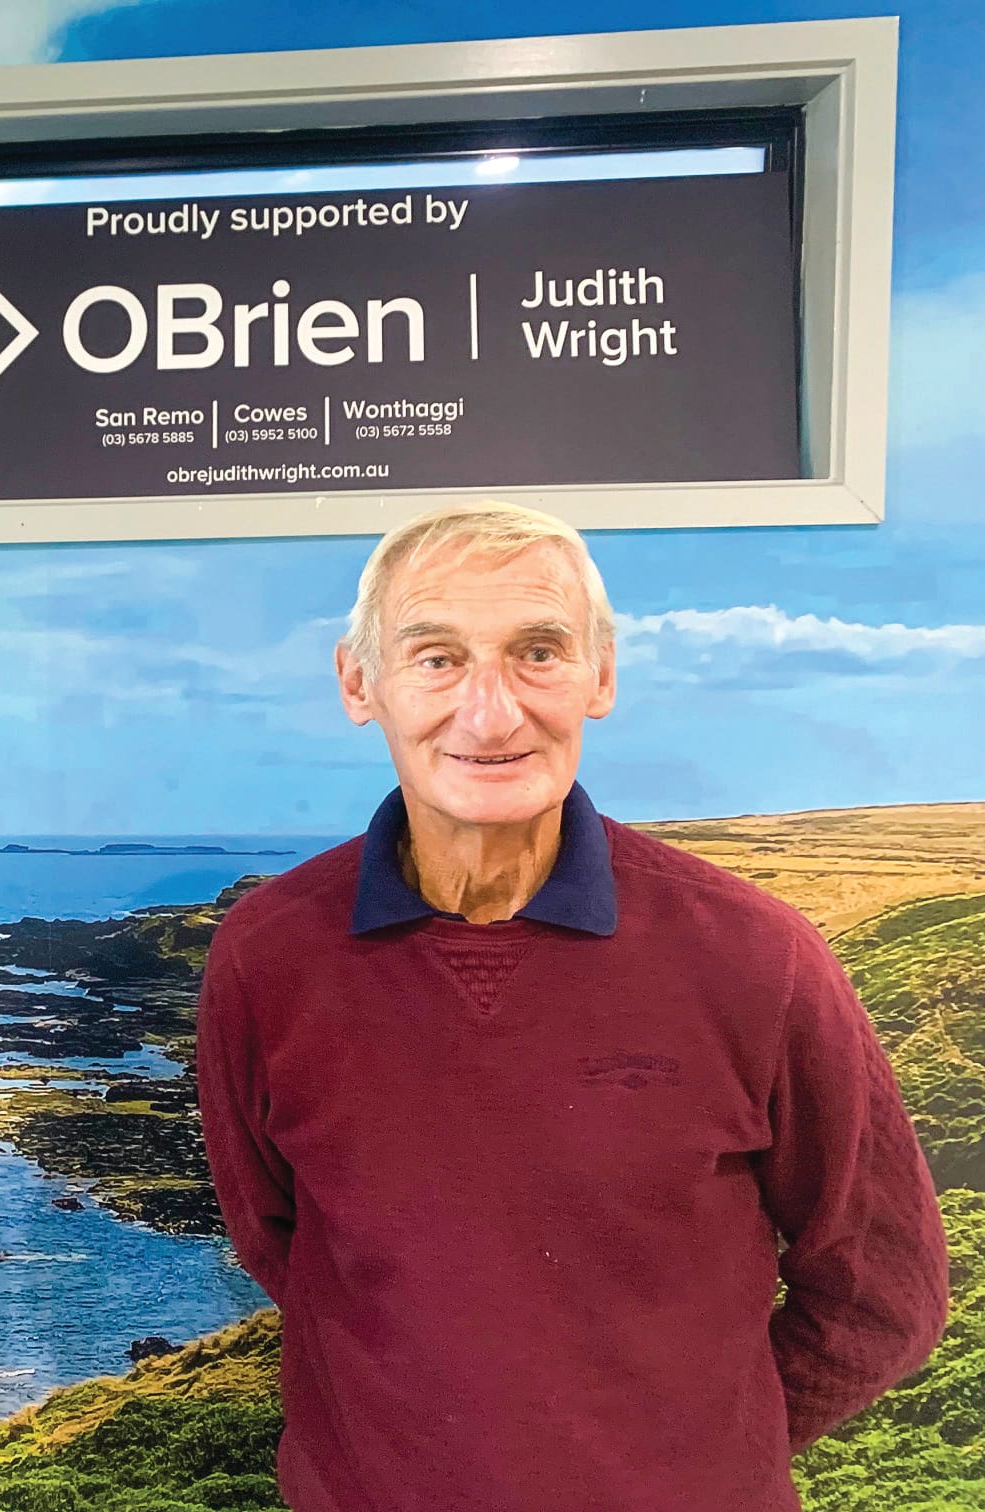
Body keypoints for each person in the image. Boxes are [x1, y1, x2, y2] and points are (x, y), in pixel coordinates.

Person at [195, 502, 948, 1512]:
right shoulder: (268, 955)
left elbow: (882, 1290)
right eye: (436, 659)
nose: (490, 714)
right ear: (358, 683)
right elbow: (280, 1244)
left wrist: (696, 1455)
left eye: (537, 653)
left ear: (600, 675)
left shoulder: (755, 956)